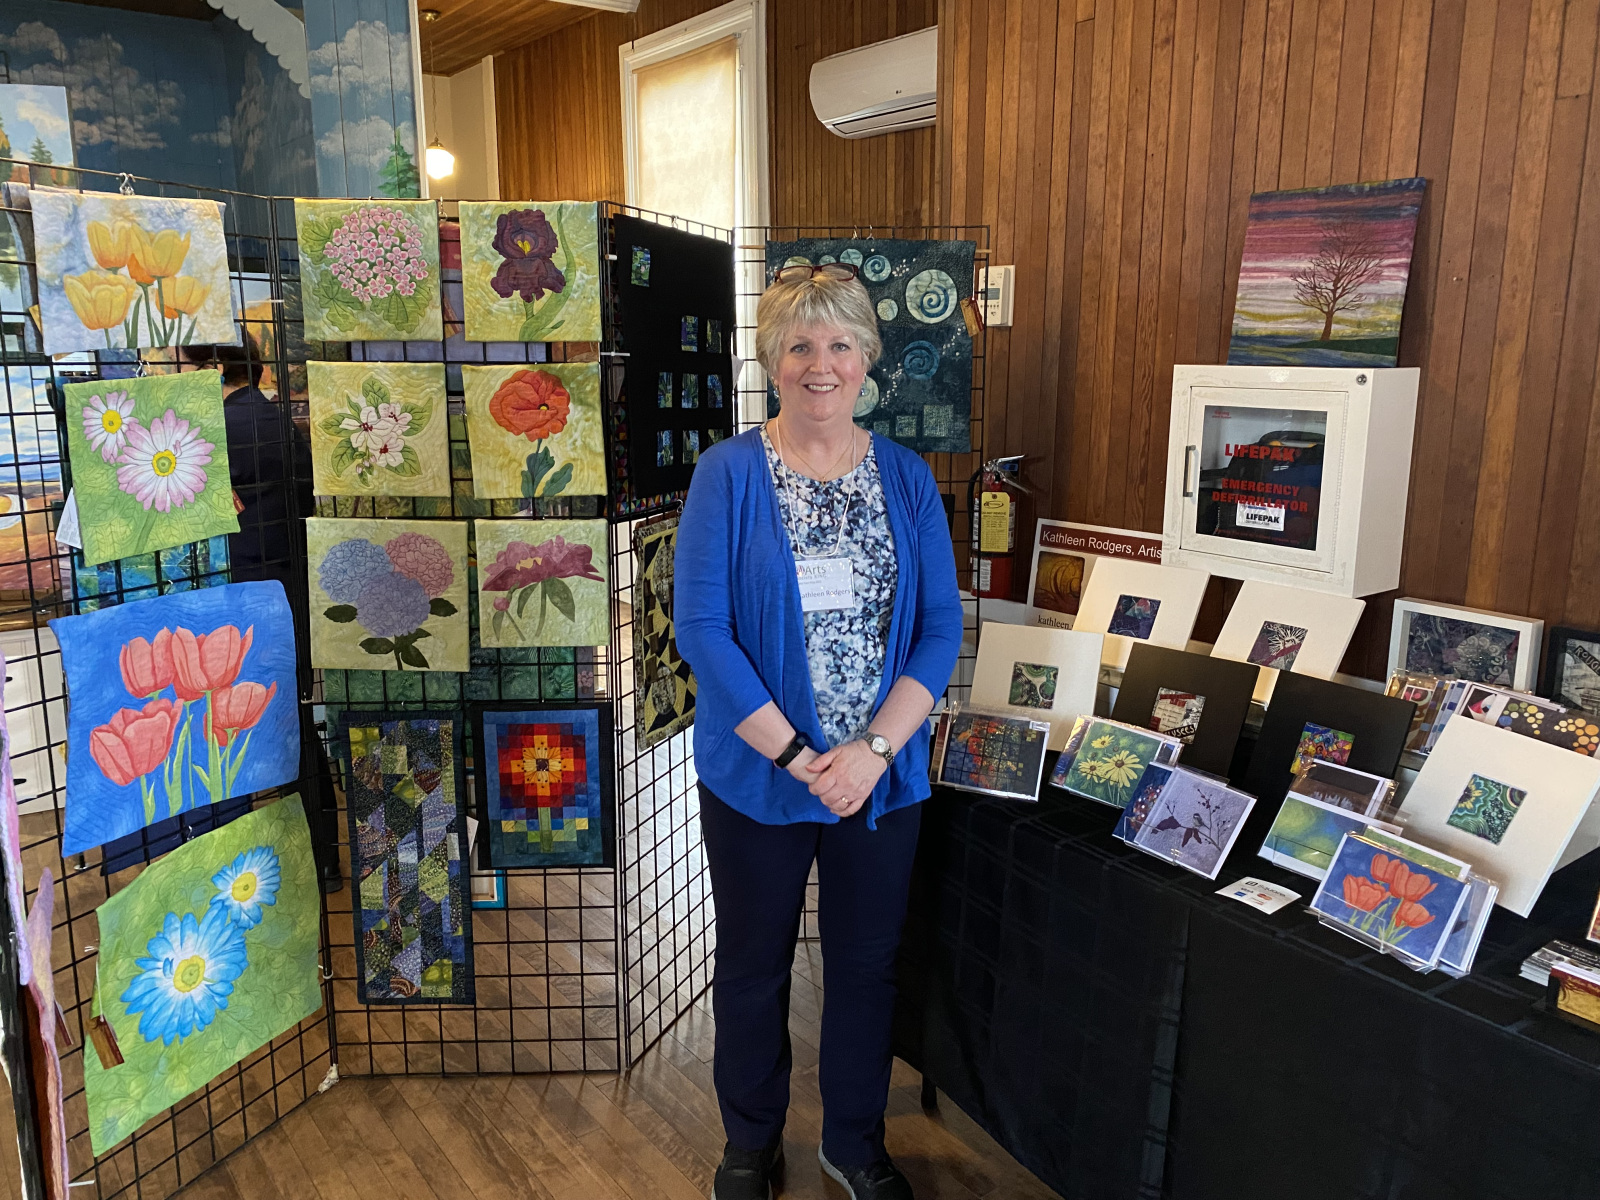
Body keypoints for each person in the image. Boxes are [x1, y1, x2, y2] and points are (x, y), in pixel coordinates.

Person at [675, 263, 964, 1200]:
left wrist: (872, 752)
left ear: (867, 358)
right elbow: (703, 631)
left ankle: (853, 1141)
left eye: (839, 344)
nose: (820, 364)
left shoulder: (906, 478)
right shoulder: (727, 475)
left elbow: (940, 629)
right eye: (799, 345)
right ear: (772, 360)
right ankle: (750, 1141)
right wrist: (801, 757)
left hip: (879, 780)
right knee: (752, 965)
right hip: (761, 775)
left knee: (867, 969)